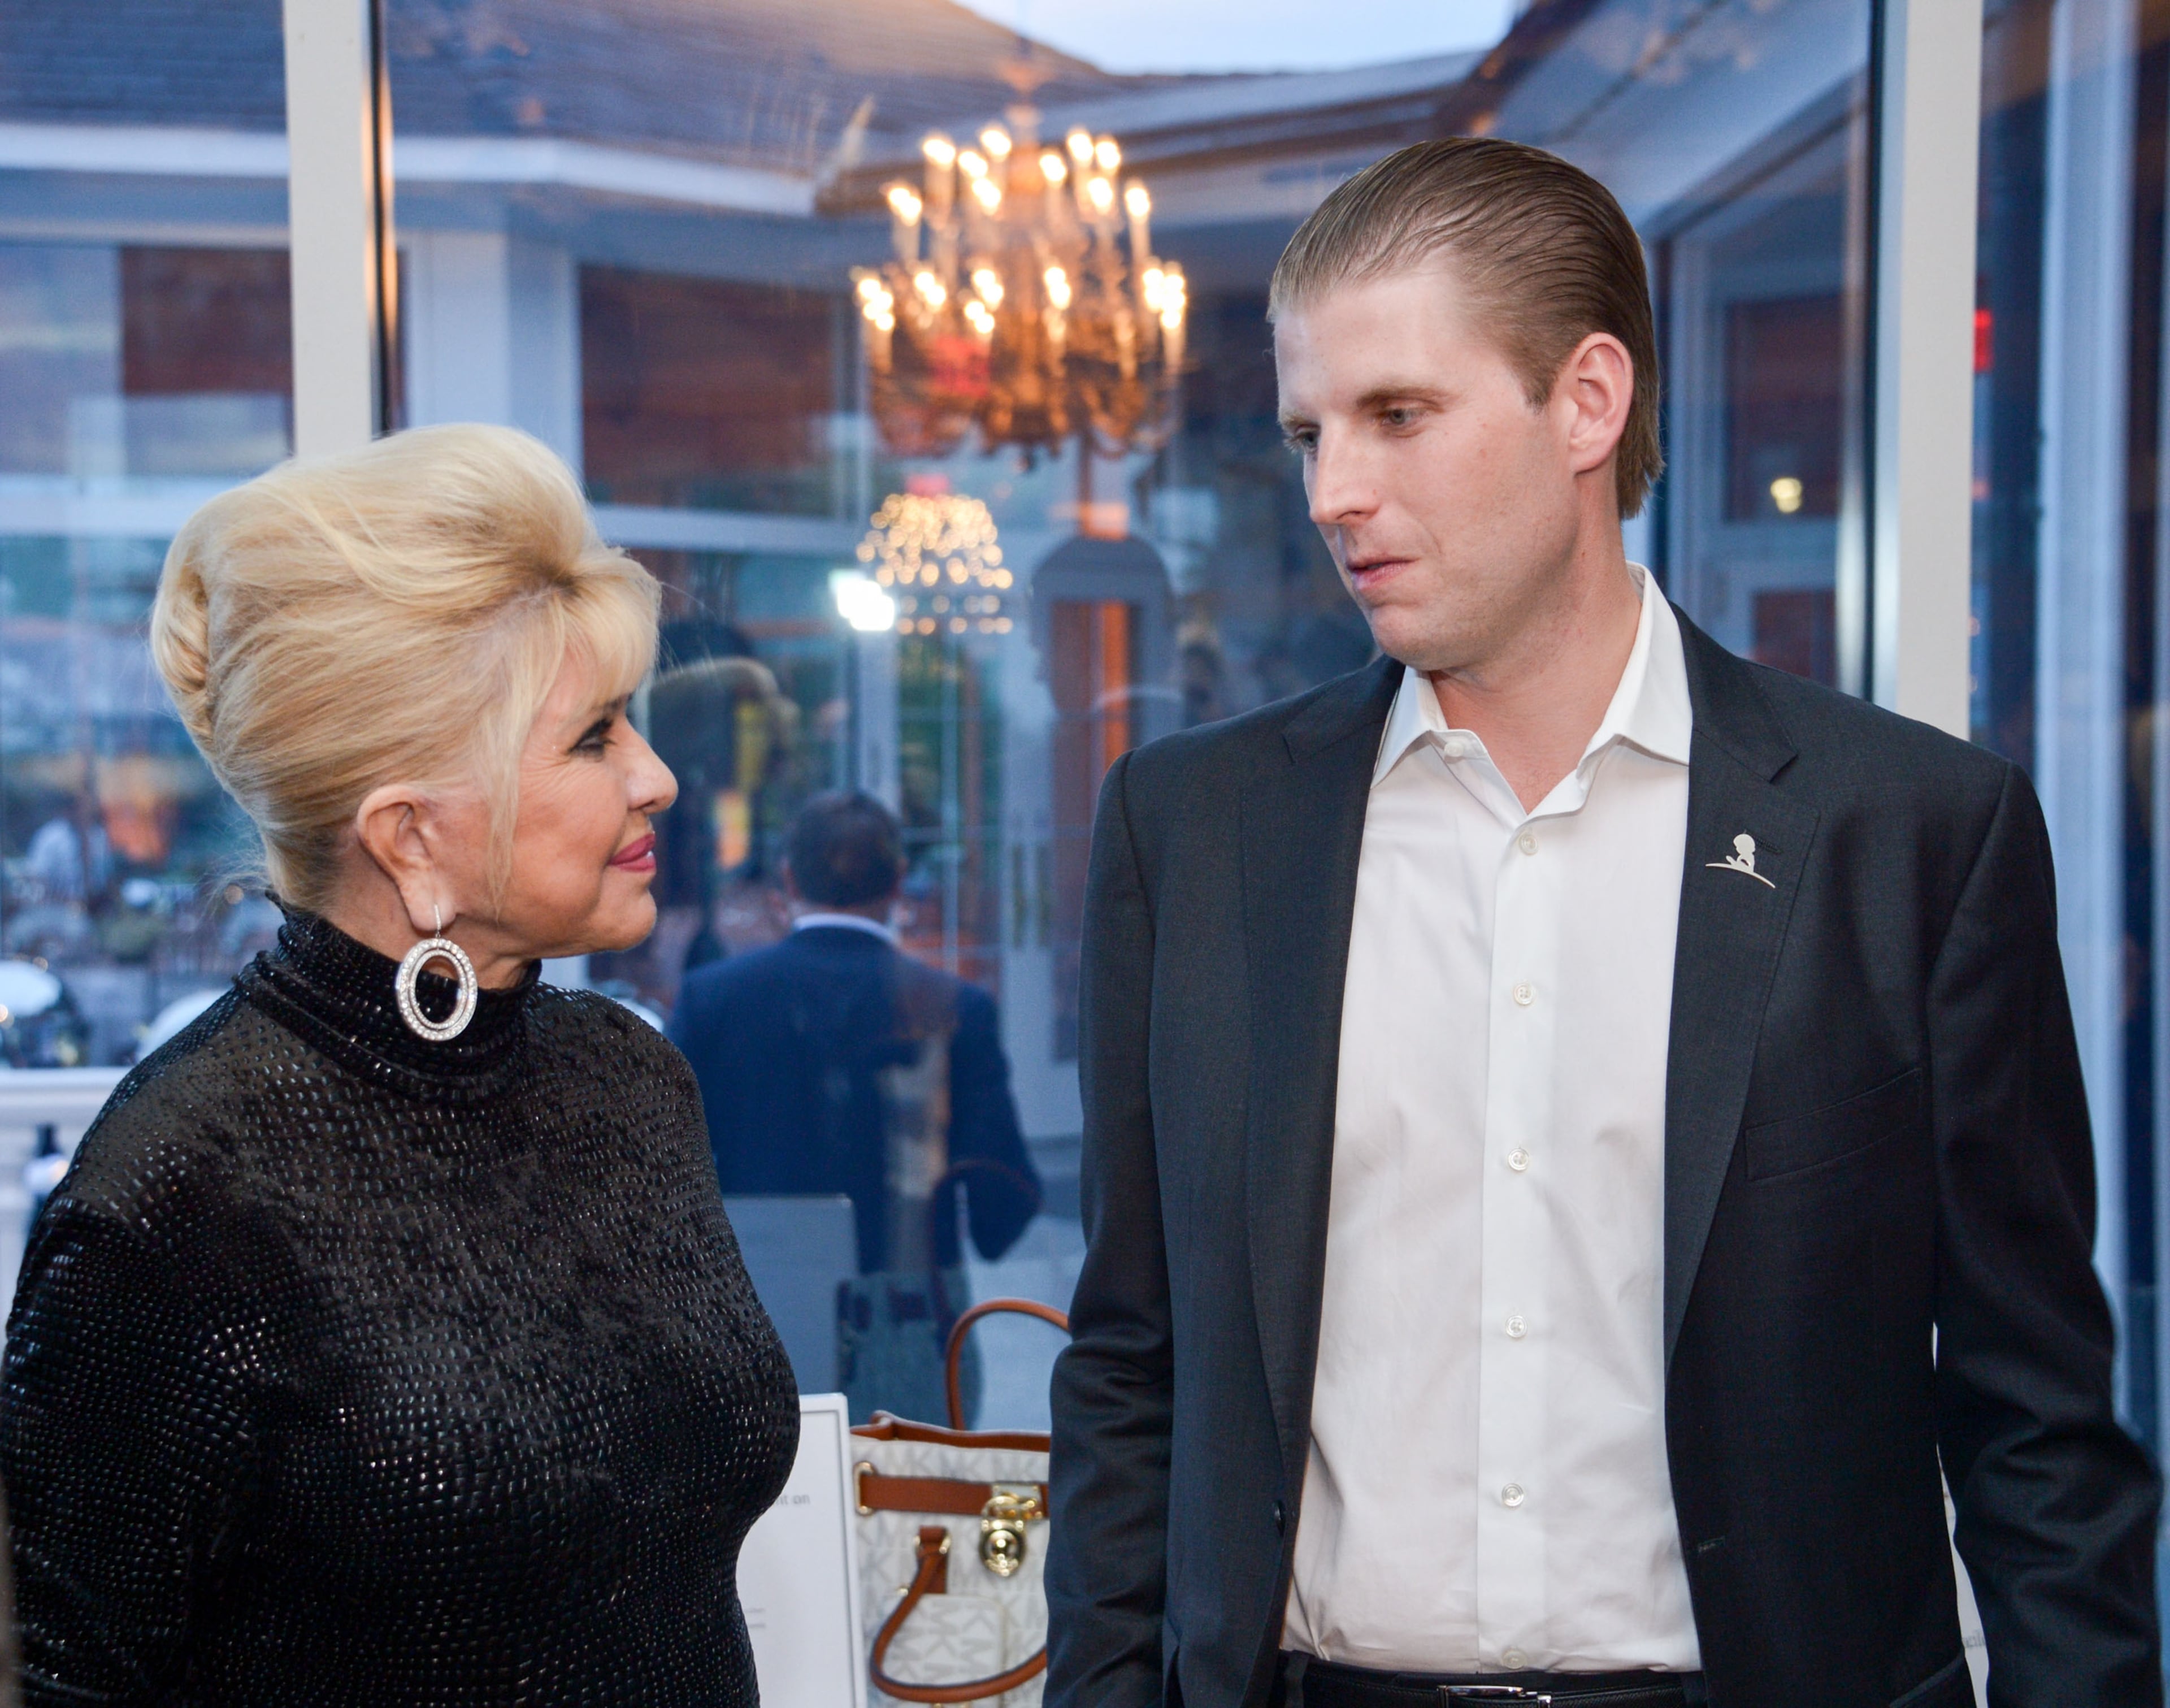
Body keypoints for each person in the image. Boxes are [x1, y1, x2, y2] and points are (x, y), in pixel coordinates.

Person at [1045, 138, 2161, 1708]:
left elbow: (2036, 1417)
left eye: (1399, 415)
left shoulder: (1908, 832)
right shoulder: (1197, 826)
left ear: (1587, 400)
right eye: (1311, 431)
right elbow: (1131, 1362)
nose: (1334, 491)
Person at [0, 424, 798, 1706]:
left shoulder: (632, 1082)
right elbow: (70, 1672)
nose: (655, 775)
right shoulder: (180, 1193)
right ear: (410, 833)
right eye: (594, 736)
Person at [670, 790, 1040, 1420]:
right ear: (899, 882)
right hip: (912, 1317)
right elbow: (1003, 1203)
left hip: (757, 1304)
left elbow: (673, 1165)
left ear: (788, 879)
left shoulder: (713, 997)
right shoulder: (954, 1007)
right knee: (907, 1505)